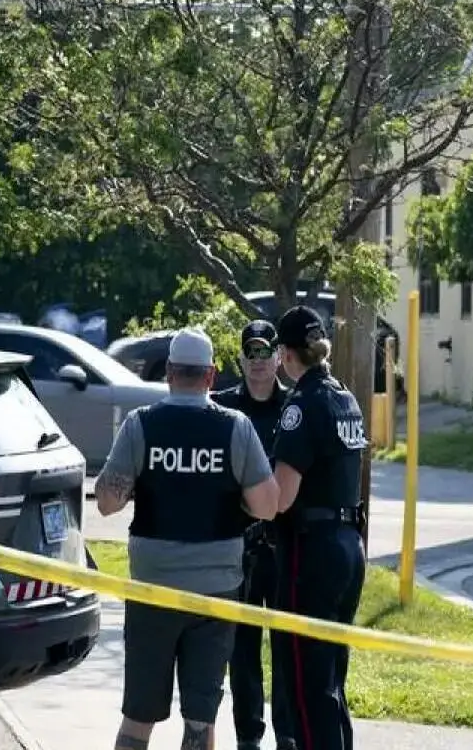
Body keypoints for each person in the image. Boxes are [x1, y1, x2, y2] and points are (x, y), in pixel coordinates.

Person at [93, 327, 281, 750]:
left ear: (170, 374)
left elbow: (107, 502)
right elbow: (269, 505)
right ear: (212, 376)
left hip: (152, 590)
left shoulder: (141, 425)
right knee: (200, 721)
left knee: (137, 716)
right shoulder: (235, 427)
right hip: (215, 593)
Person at [271, 305, 368, 750]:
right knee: (332, 678)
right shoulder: (344, 397)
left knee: (307, 687)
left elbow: (282, 497)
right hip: (350, 546)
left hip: (311, 555)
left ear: (288, 355)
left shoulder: (301, 406)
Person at [212, 320, 294, 750]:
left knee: (283, 647)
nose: (259, 362)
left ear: (280, 357)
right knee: (241, 650)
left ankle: (287, 734)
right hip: (238, 549)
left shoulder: (294, 408)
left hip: (283, 549)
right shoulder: (222, 409)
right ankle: (248, 736)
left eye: (267, 354)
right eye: (252, 354)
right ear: (241, 359)